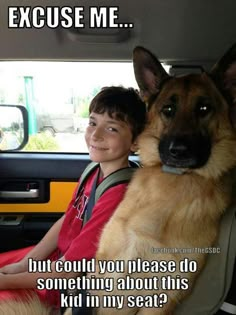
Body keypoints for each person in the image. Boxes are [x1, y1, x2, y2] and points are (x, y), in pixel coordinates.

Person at [0, 86, 146, 310]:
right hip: (56, 262)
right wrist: (27, 262)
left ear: (135, 142)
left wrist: (6, 281)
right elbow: (68, 219)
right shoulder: (93, 170)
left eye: (112, 129)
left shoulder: (119, 195)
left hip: (68, 285)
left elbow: (68, 273)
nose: (96, 135)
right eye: (93, 123)